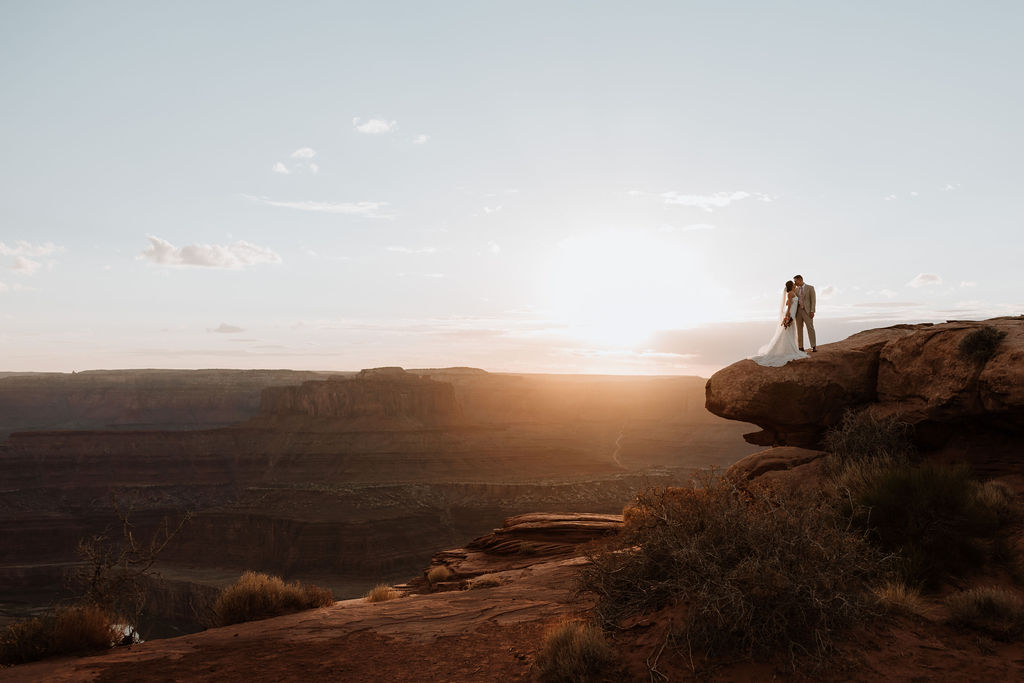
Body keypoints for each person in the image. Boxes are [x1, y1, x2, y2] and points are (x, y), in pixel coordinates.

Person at [750, 280, 809, 367]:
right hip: (790, 313)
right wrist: (788, 315)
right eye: (793, 284)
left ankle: (789, 349)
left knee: (790, 331)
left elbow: (790, 302)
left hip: (792, 313)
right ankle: (787, 350)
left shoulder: (793, 292)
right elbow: (789, 304)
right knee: (787, 331)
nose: (794, 284)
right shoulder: (790, 293)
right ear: (791, 286)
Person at [792, 274, 817, 352]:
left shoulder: (810, 288)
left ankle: (813, 346)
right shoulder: (795, 290)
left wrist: (812, 311)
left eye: (795, 281)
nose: (794, 283)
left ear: (800, 279)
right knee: (799, 329)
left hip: (808, 311)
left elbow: (813, 300)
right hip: (798, 312)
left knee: (810, 328)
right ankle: (800, 347)